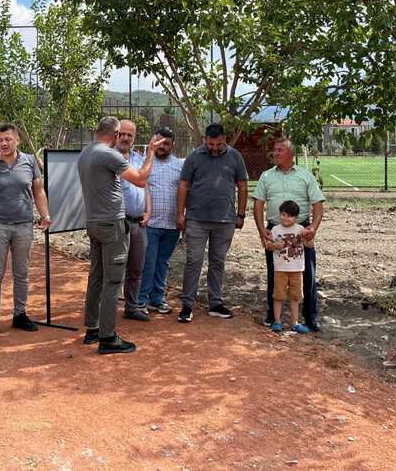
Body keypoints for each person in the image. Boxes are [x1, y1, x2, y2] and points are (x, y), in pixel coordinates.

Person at [78, 116, 162, 354]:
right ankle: (108, 337)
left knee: (97, 275)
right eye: (121, 134)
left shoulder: (86, 153)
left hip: (94, 222)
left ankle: (92, 328)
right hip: (111, 224)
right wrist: (151, 154)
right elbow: (141, 180)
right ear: (115, 134)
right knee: (113, 280)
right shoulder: (108, 154)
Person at [0, 123, 51, 337]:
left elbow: (38, 191)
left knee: (21, 273)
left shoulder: (30, 162)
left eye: (8, 139)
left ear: (17, 141)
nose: (4, 143)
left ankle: (19, 315)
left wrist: (45, 214)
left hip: (24, 226)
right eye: (1, 140)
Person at [176, 123, 248, 323]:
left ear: (225, 140)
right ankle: (187, 304)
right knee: (194, 261)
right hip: (196, 219)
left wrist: (241, 214)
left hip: (225, 220)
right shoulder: (194, 157)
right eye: (211, 144)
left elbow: (242, 185)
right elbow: (183, 184)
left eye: (219, 144)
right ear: (205, 140)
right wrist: (180, 213)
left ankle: (215, 303)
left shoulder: (235, 157)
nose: (215, 147)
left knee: (218, 261)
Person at [252, 138, 325, 331]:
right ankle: (272, 316)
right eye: (274, 150)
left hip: (301, 232)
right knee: (275, 273)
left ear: (291, 154)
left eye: (280, 150)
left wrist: (313, 228)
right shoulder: (266, 176)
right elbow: (258, 205)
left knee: (307, 273)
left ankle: (310, 316)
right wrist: (262, 231)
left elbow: (318, 204)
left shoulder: (306, 176)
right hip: (275, 231)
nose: (275, 153)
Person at [138, 127, 182, 314]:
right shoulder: (144, 163)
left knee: (163, 262)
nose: (162, 146)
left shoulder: (180, 165)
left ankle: (158, 298)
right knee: (148, 262)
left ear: (172, 145)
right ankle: (141, 299)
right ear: (152, 142)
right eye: (159, 143)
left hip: (172, 225)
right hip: (150, 224)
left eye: (166, 143)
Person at [116, 119, 151, 322]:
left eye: (130, 135)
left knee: (136, 269)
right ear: (115, 135)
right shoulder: (110, 159)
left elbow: (145, 186)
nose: (126, 138)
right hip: (118, 223)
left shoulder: (138, 159)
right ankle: (105, 311)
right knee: (113, 269)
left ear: (134, 138)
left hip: (139, 223)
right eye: (122, 134)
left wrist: (148, 211)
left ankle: (131, 306)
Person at [268, 200, 310, 333]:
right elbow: (267, 245)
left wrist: (306, 238)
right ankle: (277, 321)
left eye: (290, 216)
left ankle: (295, 322)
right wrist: (275, 246)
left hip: (297, 269)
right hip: (280, 269)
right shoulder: (275, 229)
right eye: (283, 215)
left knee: (295, 296)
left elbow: (310, 245)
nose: (286, 218)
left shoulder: (300, 229)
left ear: (297, 218)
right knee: (278, 296)